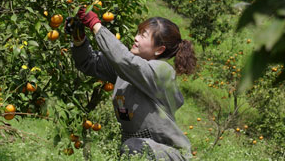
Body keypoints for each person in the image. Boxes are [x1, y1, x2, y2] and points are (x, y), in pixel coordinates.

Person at [68, 8, 197, 160]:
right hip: (137, 150)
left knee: (134, 147)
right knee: (132, 146)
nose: (136, 38)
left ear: (159, 49)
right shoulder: (126, 72)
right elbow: (89, 62)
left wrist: (95, 25)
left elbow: (125, 61)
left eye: (143, 36)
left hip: (167, 154)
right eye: (138, 33)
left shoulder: (162, 72)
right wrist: (79, 39)